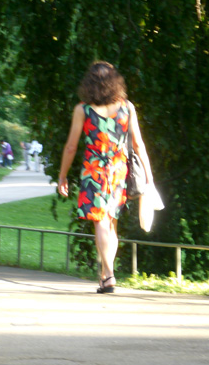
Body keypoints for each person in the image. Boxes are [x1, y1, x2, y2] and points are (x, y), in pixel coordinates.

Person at [58, 61, 154, 294]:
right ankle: (105, 275)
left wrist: (62, 176)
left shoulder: (83, 109)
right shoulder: (127, 107)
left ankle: (108, 274)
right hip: (119, 170)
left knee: (100, 221)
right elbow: (139, 144)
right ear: (114, 81)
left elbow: (71, 147)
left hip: (94, 171)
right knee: (111, 223)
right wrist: (149, 178)